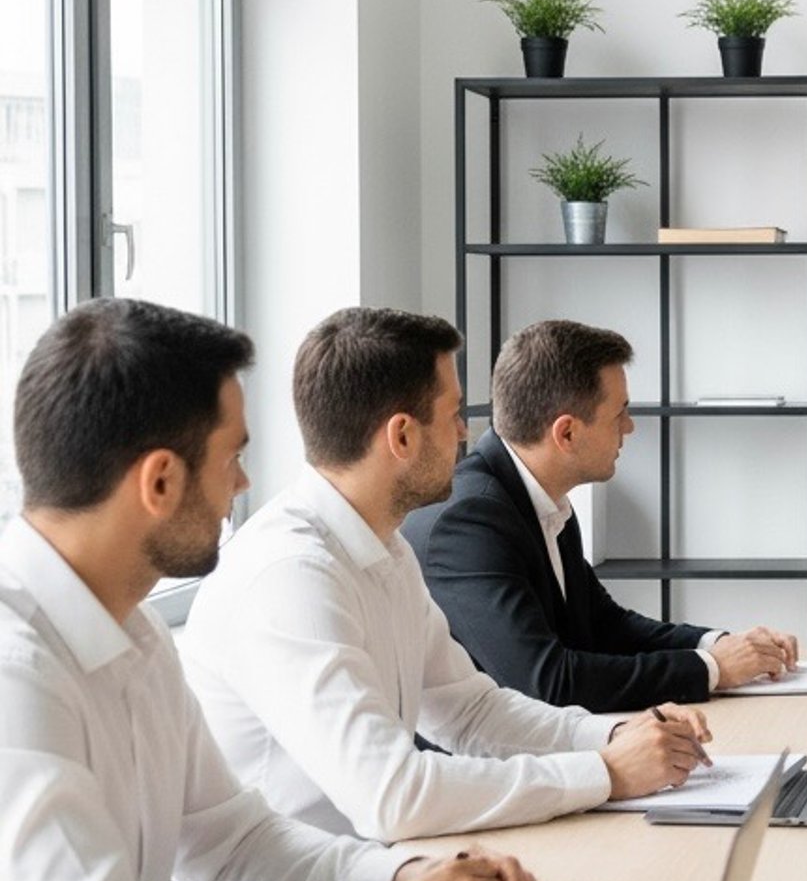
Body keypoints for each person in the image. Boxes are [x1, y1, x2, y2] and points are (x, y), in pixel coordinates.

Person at [0, 301, 532, 881]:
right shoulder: (15, 671)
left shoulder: (131, 629)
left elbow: (233, 844)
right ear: (160, 482)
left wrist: (408, 877)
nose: (243, 485)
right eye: (232, 456)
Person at [182, 308, 711, 845]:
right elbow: (393, 796)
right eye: (454, 414)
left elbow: (471, 713)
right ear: (403, 436)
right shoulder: (291, 577)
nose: (465, 432)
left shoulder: (383, 549)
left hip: (379, 871)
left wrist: (617, 733)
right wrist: (608, 772)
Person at [406, 319, 799, 712]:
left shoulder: (546, 501)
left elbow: (606, 625)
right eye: (619, 414)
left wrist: (720, 645)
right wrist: (712, 669)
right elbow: (547, 681)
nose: (629, 427)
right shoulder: (468, 522)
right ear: (567, 434)